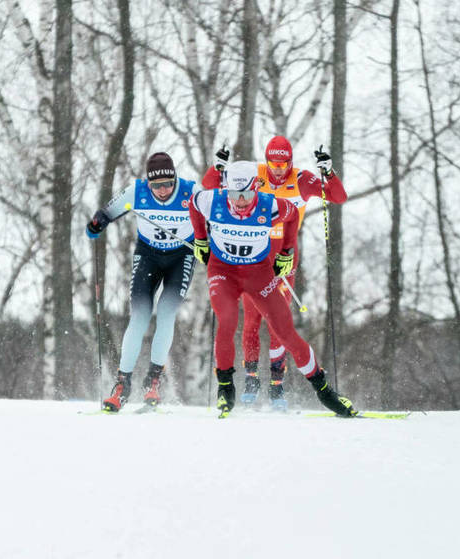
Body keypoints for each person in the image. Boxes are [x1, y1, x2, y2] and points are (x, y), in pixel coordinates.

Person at [189, 160, 357, 417]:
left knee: (285, 333)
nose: (240, 201)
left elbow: (292, 216)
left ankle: (324, 390)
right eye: (234, 194)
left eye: (245, 193)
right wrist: (200, 238)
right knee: (227, 320)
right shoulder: (214, 199)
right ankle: (225, 386)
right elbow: (193, 203)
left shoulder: (269, 204)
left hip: (258, 273)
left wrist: (287, 252)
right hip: (223, 272)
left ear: (255, 187)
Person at [86, 152, 201, 412]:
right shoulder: (136, 192)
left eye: (168, 184)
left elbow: (217, 211)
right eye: (156, 185)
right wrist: (97, 223)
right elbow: (107, 212)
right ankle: (122, 384)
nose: (162, 190)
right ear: (148, 183)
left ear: (175, 179)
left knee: (167, 313)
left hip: (181, 255)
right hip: (148, 255)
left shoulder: (191, 192)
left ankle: (153, 380)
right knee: (139, 316)